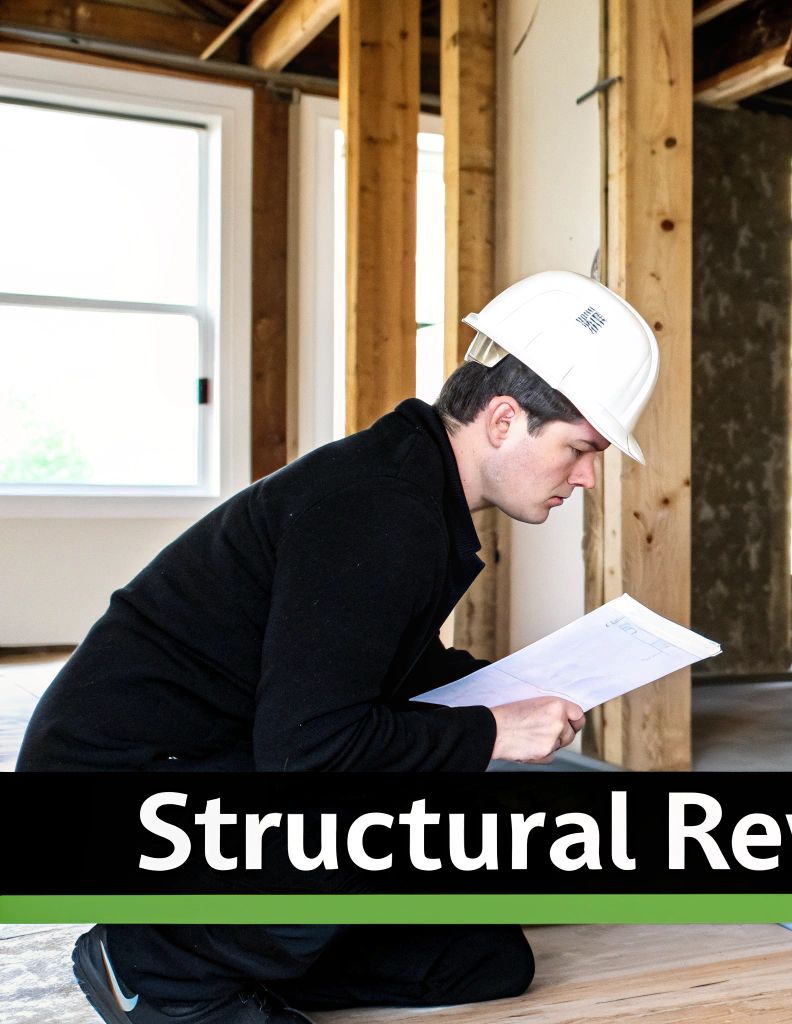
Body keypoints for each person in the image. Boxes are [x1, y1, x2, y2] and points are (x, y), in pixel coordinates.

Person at [19, 270, 660, 1024]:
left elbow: (374, 669)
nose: (587, 478)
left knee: (483, 960)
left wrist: (516, 692)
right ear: (503, 419)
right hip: (126, 790)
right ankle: (154, 965)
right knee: (361, 818)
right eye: (579, 449)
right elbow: (310, 752)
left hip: (214, 760)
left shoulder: (409, 486)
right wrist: (493, 731)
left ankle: (233, 951)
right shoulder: (380, 512)